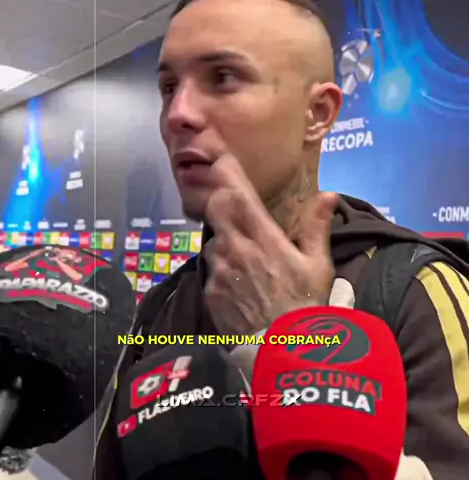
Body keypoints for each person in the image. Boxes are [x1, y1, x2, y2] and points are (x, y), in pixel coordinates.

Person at [94, 0, 469, 479]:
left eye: (223, 78)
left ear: (318, 113)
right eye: (169, 87)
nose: (177, 114)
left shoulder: (415, 291)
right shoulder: (160, 307)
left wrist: (295, 350)